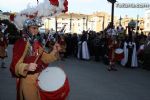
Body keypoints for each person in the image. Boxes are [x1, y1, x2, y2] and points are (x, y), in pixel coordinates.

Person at [10, 18, 61, 100]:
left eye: (37, 28)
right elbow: (15, 64)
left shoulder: (36, 43)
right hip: (28, 80)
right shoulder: (21, 43)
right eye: (34, 28)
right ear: (27, 28)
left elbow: (45, 58)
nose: (36, 30)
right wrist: (26, 67)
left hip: (40, 78)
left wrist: (54, 51)